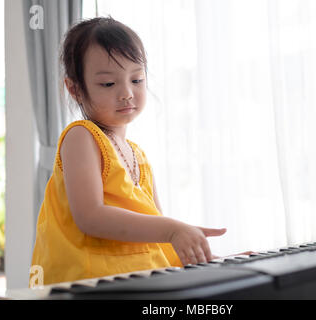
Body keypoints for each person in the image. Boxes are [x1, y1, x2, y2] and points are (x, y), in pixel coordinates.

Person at [29, 16, 230, 286]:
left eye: (136, 79)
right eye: (108, 84)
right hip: (87, 284)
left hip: (136, 282)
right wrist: (173, 230)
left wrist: (213, 263)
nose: (126, 93)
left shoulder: (139, 156)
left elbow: (156, 236)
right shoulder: (81, 137)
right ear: (75, 89)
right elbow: (91, 217)